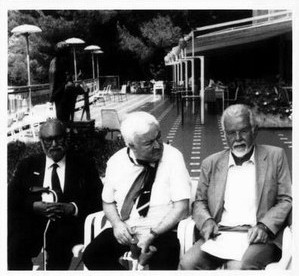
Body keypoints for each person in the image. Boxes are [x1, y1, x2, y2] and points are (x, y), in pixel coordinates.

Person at [179, 104, 292, 270]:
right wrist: (207, 221)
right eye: (231, 133)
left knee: (238, 267)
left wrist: (264, 226)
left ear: (254, 130)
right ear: (225, 134)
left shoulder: (275, 156)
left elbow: (285, 199)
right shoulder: (210, 163)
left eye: (244, 131)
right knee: (188, 263)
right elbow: (199, 202)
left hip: (258, 236)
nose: (238, 138)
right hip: (220, 235)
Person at [83, 111, 191, 270]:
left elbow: (181, 208)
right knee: (92, 255)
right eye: (149, 143)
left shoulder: (173, 157)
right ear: (131, 145)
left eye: (158, 137)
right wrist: (117, 224)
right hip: (128, 230)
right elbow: (108, 202)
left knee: (164, 257)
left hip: (162, 231)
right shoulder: (116, 162)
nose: (157, 145)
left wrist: (153, 233)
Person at [8, 118, 103, 270]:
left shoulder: (84, 165)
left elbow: (98, 200)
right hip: (34, 222)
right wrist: (33, 206)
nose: (54, 145)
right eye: (48, 140)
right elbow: (11, 199)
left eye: (58, 138)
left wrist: (72, 208)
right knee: (15, 246)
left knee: (60, 247)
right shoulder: (28, 165)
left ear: (66, 138)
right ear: (41, 141)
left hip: (67, 225)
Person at [49, 41, 82, 122]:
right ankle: (66, 131)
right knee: (64, 117)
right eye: (67, 50)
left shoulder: (59, 61)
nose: (69, 52)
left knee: (64, 117)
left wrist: (52, 97)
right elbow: (54, 79)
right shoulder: (58, 62)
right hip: (61, 92)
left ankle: (67, 131)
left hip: (62, 92)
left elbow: (54, 80)